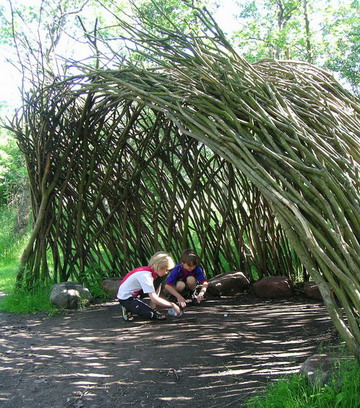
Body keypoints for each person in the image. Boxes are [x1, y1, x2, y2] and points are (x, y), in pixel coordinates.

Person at [117, 251, 182, 321]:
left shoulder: (152, 272)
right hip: (126, 298)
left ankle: (152, 308)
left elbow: (155, 292)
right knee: (149, 314)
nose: (166, 272)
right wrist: (172, 305)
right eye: (166, 270)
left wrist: (154, 308)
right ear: (159, 267)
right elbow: (154, 298)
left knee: (158, 280)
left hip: (136, 292)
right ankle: (126, 307)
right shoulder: (146, 276)